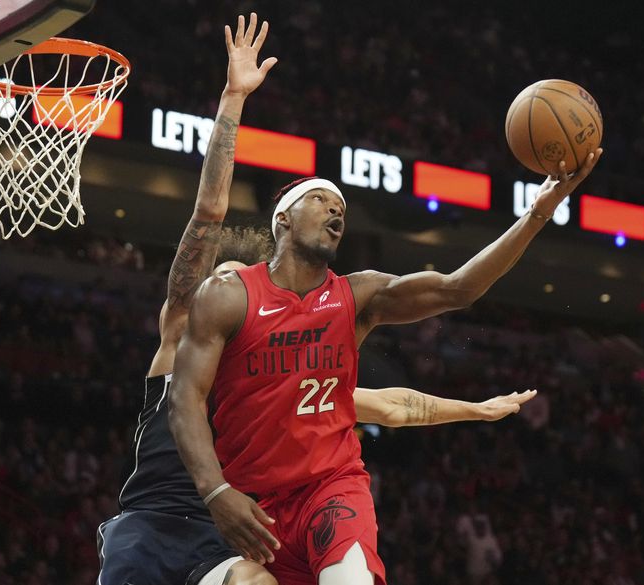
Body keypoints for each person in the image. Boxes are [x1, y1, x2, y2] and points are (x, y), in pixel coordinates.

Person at [97, 13, 536, 585]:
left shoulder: (278, 373)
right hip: (154, 524)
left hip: (228, 536)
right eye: (222, 281)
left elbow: (387, 404)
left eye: (234, 278)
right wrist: (232, 100)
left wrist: (474, 409)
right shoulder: (187, 329)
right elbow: (208, 213)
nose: (228, 289)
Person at [168, 134, 602, 583]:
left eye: (341, 208)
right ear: (283, 218)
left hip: (330, 488)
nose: (336, 210)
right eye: (320, 199)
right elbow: (185, 399)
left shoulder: (358, 295)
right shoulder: (228, 296)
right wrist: (216, 491)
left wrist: (537, 213)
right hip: (251, 503)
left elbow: (458, 288)